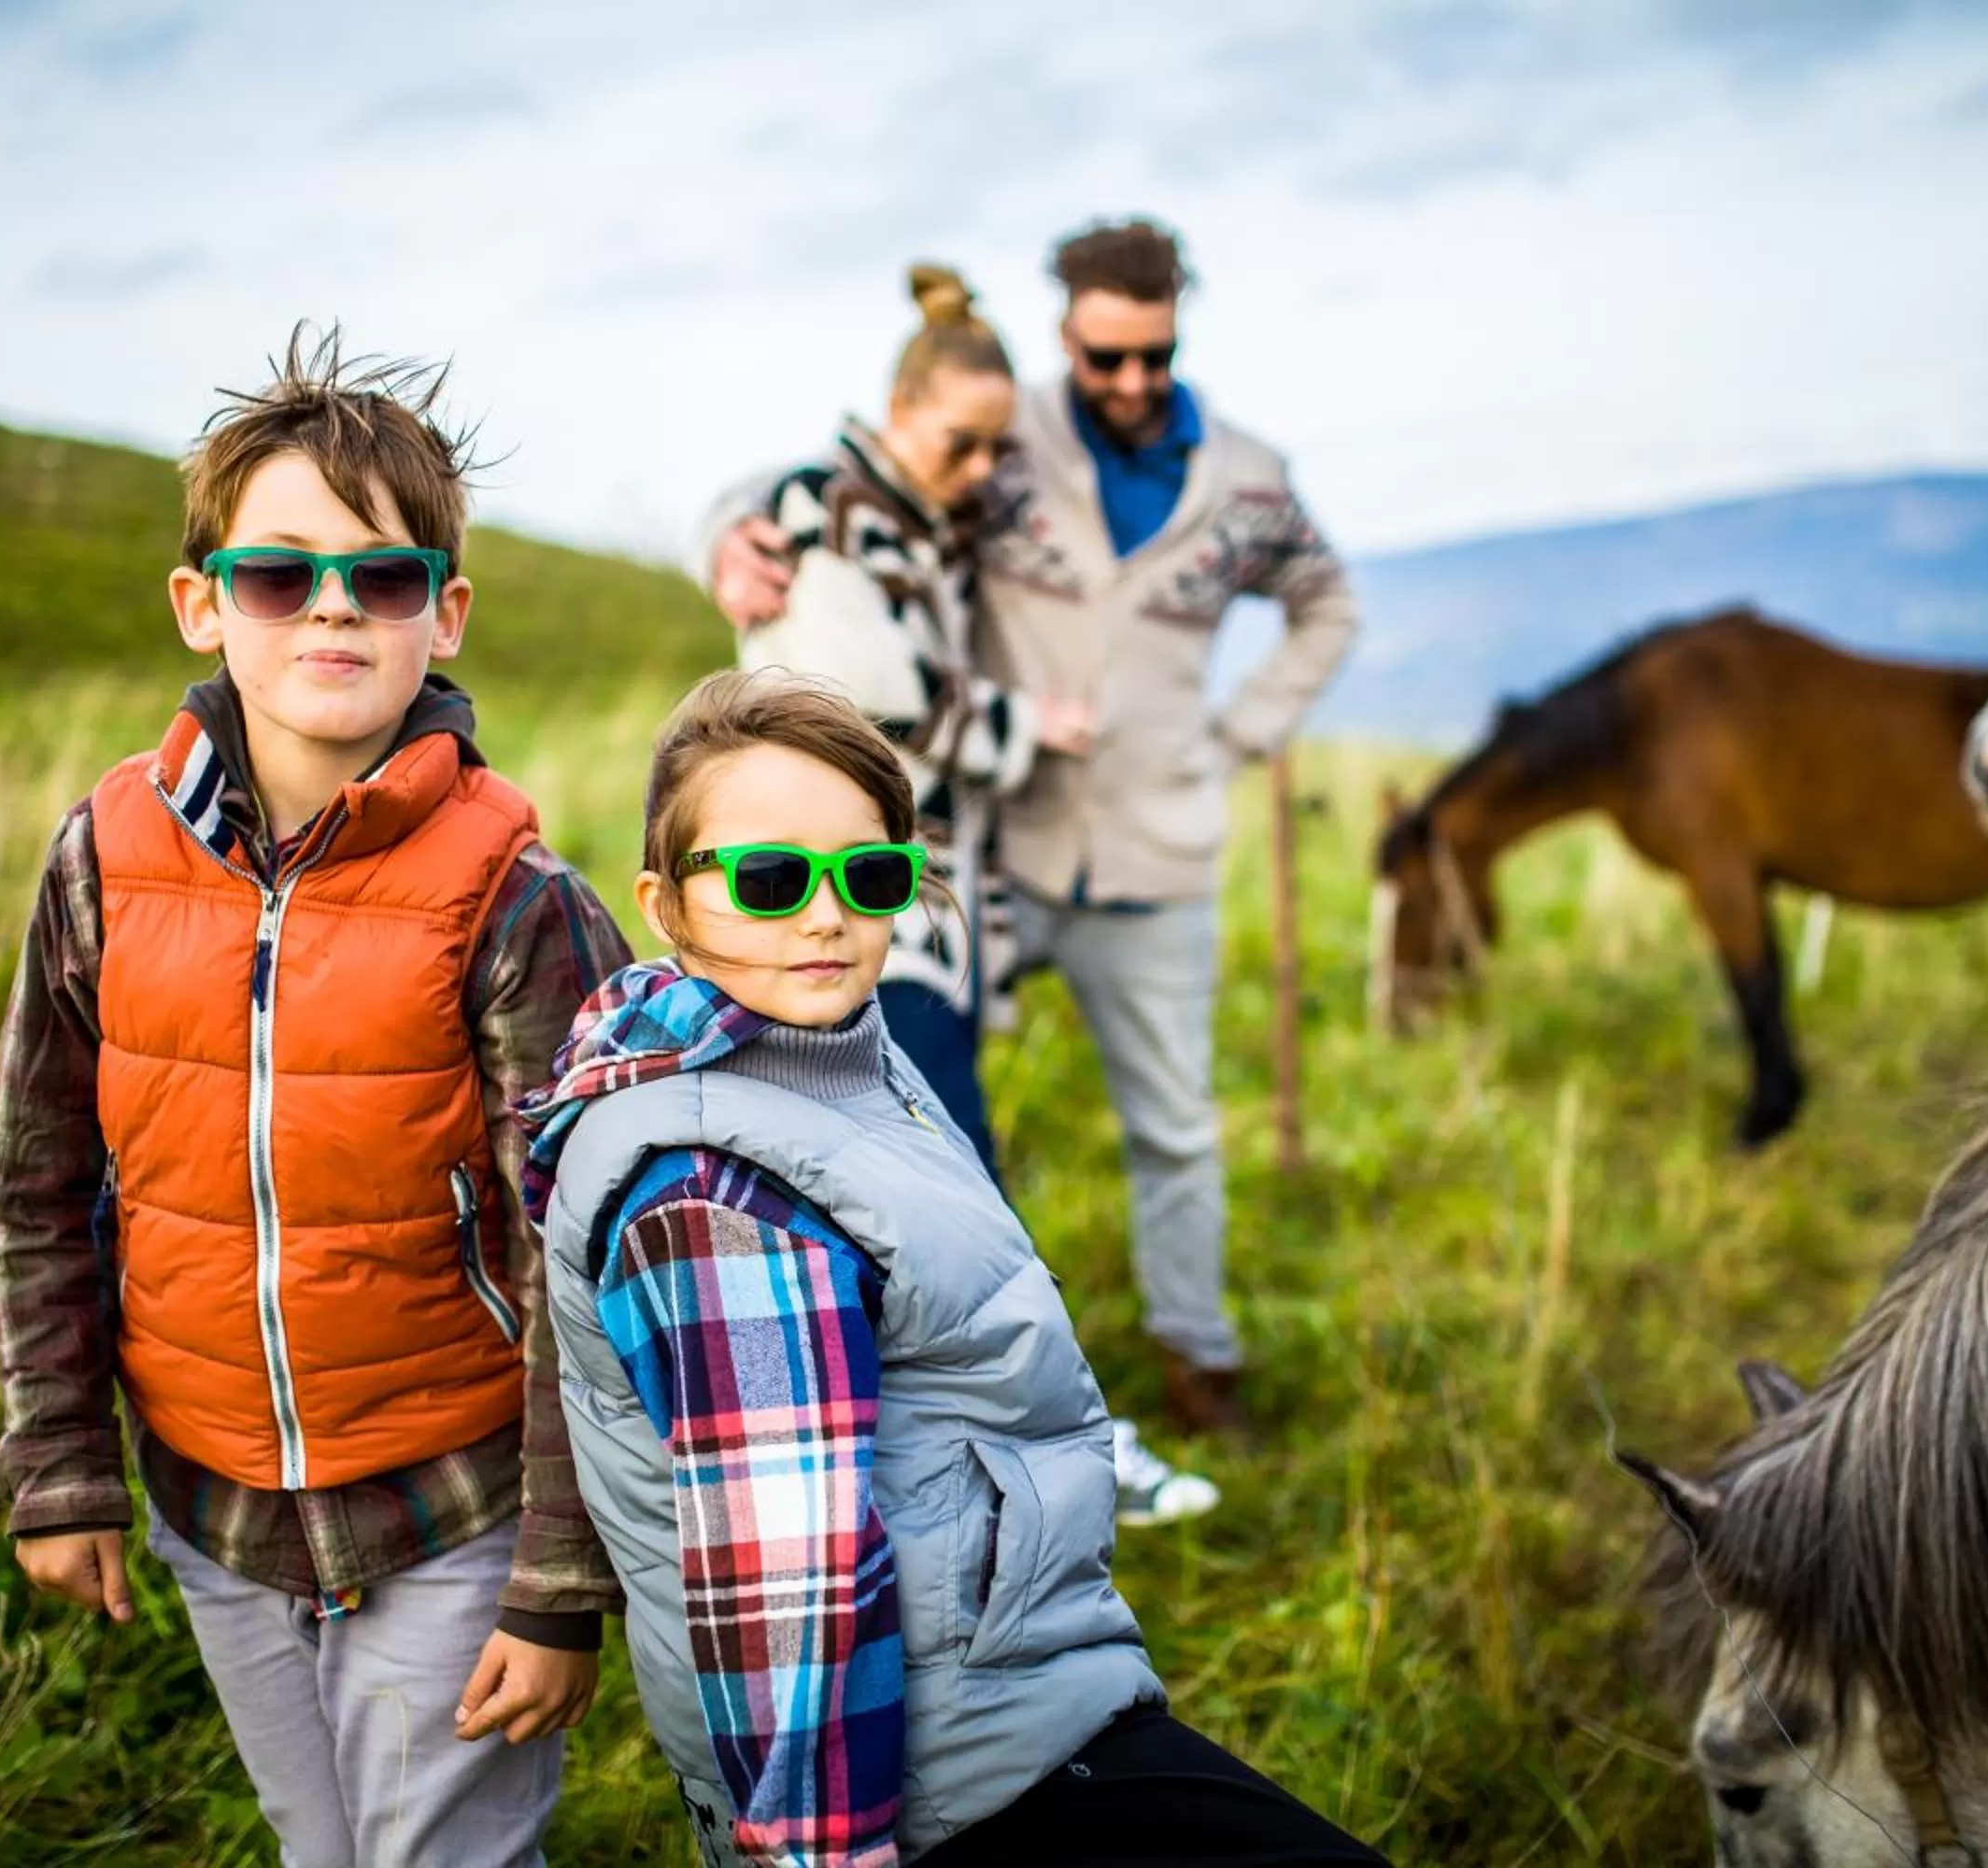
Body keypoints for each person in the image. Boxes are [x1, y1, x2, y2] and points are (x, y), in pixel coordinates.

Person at [517, 670, 1389, 1867]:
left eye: (869, 875)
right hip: (943, 1790)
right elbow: (789, 1592)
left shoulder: (830, 1055)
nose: (825, 916)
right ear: (664, 905)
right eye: (769, 879)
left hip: (1014, 1701)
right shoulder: (713, 1195)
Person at [0, 326, 626, 1868]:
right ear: (203, 602)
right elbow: (35, 1174)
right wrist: (59, 1460)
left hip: (456, 1507)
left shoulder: (514, 897)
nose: (335, 604)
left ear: (443, 609)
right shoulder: (105, 858)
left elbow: (589, 1261)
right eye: (283, 573)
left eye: (384, 576)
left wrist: (559, 1574)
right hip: (213, 1506)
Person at [703, 219, 1357, 1443]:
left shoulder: (1253, 481)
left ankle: (1193, 1365)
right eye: (1105, 358)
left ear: (1177, 337)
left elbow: (1327, 602)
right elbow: (831, 483)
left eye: (1153, 357)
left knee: (1173, 1126)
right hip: (986, 861)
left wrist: (1239, 735)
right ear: (1068, 337)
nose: (1129, 383)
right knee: (928, 1119)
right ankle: (957, 1388)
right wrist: (720, 535)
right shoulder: (1011, 442)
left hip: (1156, 853)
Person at [731, 260, 1216, 1529]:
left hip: (901, 906)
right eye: (963, 443)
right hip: (859, 911)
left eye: (999, 446)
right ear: (900, 411)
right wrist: (1025, 722)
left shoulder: (916, 510)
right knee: (957, 1189)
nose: (982, 470)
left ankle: (928, 1465)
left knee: (903, 1190)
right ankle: (1065, 1448)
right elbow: (868, 707)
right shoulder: (832, 515)